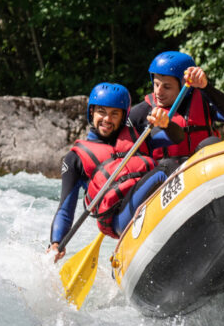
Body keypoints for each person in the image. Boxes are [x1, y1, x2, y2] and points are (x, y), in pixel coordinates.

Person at [47, 82, 184, 263]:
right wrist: (56, 244)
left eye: (114, 114)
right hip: (121, 218)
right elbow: (65, 210)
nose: (107, 119)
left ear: (123, 116)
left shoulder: (139, 136)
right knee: (166, 168)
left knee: (180, 163)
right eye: (101, 112)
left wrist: (166, 124)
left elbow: (178, 137)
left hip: (150, 199)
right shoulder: (75, 159)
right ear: (92, 113)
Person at [129, 50, 224, 162]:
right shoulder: (141, 112)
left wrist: (206, 87)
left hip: (203, 167)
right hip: (169, 173)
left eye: (167, 87)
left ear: (184, 85)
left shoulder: (203, 101)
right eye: (156, 84)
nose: (159, 92)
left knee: (212, 142)